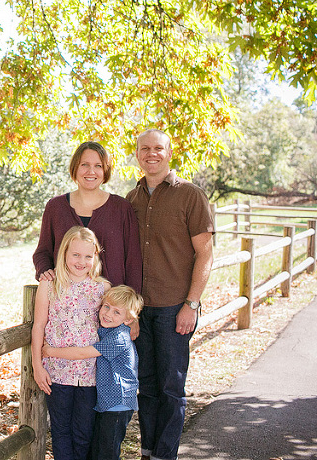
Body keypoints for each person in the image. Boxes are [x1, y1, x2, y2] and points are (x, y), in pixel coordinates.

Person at [126, 129, 214, 460]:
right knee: (145, 388)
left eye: (158, 148)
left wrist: (191, 304)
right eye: (145, 148)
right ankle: (148, 452)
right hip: (140, 310)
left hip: (175, 308)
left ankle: (165, 455)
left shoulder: (191, 195)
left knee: (171, 389)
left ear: (169, 152)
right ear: (137, 154)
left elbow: (206, 254)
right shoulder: (130, 199)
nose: (152, 154)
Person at [32, 226, 111, 460]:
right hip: (56, 371)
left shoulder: (102, 287)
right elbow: (39, 326)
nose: (81, 261)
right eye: (75, 254)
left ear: (95, 256)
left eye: (88, 256)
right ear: (64, 253)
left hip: (90, 373)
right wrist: (37, 365)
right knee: (61, 431)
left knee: (84, 432)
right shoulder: (49, 284)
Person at [42, 284, 144, 460]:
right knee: (98, 451)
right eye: (107, 307)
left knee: (107, 453)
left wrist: (51, 351)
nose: (108, 314)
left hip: (118, 404)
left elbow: (82, 353)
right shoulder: (108, 331)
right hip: (107, 403)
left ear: (128, 320)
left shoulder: (119, 338)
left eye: (116, 312)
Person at [33, 141, 142, 294]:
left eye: (98, 166)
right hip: (66, 305)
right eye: (85, 164)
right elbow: (42, 252)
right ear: (75, 168)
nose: (91, 171)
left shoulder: (122, 208)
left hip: (112, 307)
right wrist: (44, 270)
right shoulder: (55, 207)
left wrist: (131, 305)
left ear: (105, 171)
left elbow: (133, 262)